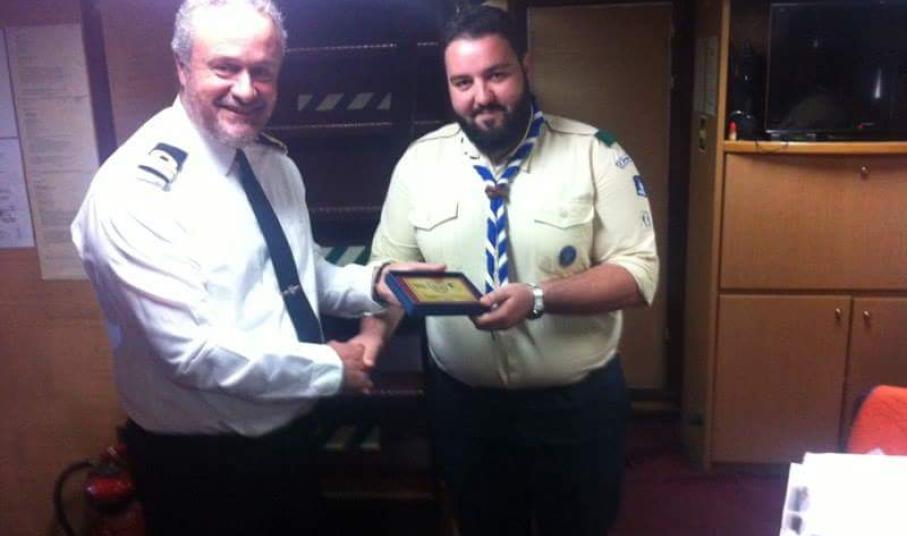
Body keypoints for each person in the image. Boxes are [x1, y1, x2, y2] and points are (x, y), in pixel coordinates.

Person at [70, 0, 437, 533]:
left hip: (289, 441)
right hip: (202, 468)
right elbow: (192, 354)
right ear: (182, 67)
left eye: (262, 71)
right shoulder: (136, 191)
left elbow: (299, 274)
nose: (246, 89)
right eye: (225, 67)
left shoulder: (271, 164)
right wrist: (329, 369)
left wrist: (379, 284)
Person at [359, 5, 659, 535]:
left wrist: (539, 298)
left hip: (575, 407)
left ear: (526, 66)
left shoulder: (597, 154)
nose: (481, 96)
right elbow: (388, 273)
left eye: (496, 75)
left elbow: (638, 275)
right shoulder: (419, 164)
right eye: (463, 82)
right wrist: (371, 339)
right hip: (465, 407)